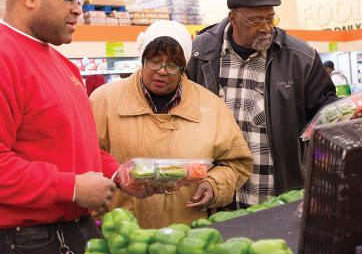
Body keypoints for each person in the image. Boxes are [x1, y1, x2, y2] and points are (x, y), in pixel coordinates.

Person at [0, 0, 144, 254]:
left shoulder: (64, 65)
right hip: (25, 242)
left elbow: (78, 151)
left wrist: (118, 173)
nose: (78, 10)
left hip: (75, 232)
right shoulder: (4, 57)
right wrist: (72, 188)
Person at [187, 0, 362, 208]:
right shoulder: (201, 52)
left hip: (276, 193)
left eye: (270, 18)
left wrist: (346, 111)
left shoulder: (300, 57)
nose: (265, 27)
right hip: (217, 192)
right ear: (233, 18)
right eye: (255, 21)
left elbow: (322, 107)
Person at [89, 20, 253, 228]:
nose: (162, 71)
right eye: (154, 61)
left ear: (184, 66)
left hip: (187, 235)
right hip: (121, 232)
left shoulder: (211, 107)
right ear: (142, 59)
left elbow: (237, 163)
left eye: (173, 65)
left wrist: (213, 185)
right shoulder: (104, 100)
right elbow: (84, 157)